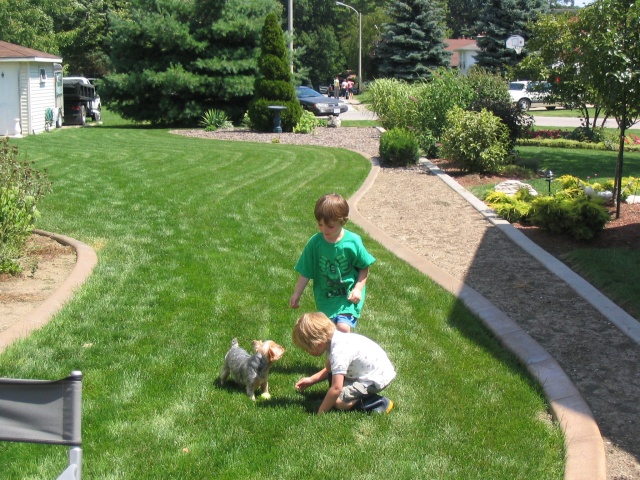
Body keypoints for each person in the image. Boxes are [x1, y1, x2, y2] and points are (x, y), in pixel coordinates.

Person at [290, 193, 375, 332]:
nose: (324, 229)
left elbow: (364, 267)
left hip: (348, 297)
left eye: (329, 226)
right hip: (325, 299)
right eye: (320, 224)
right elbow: (306, 271)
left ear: (343, 221)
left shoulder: (353, 242)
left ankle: (348, 346)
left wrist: (358, 289)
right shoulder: (315, 243)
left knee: (342, 328)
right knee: (329, 334)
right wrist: (297, 293)